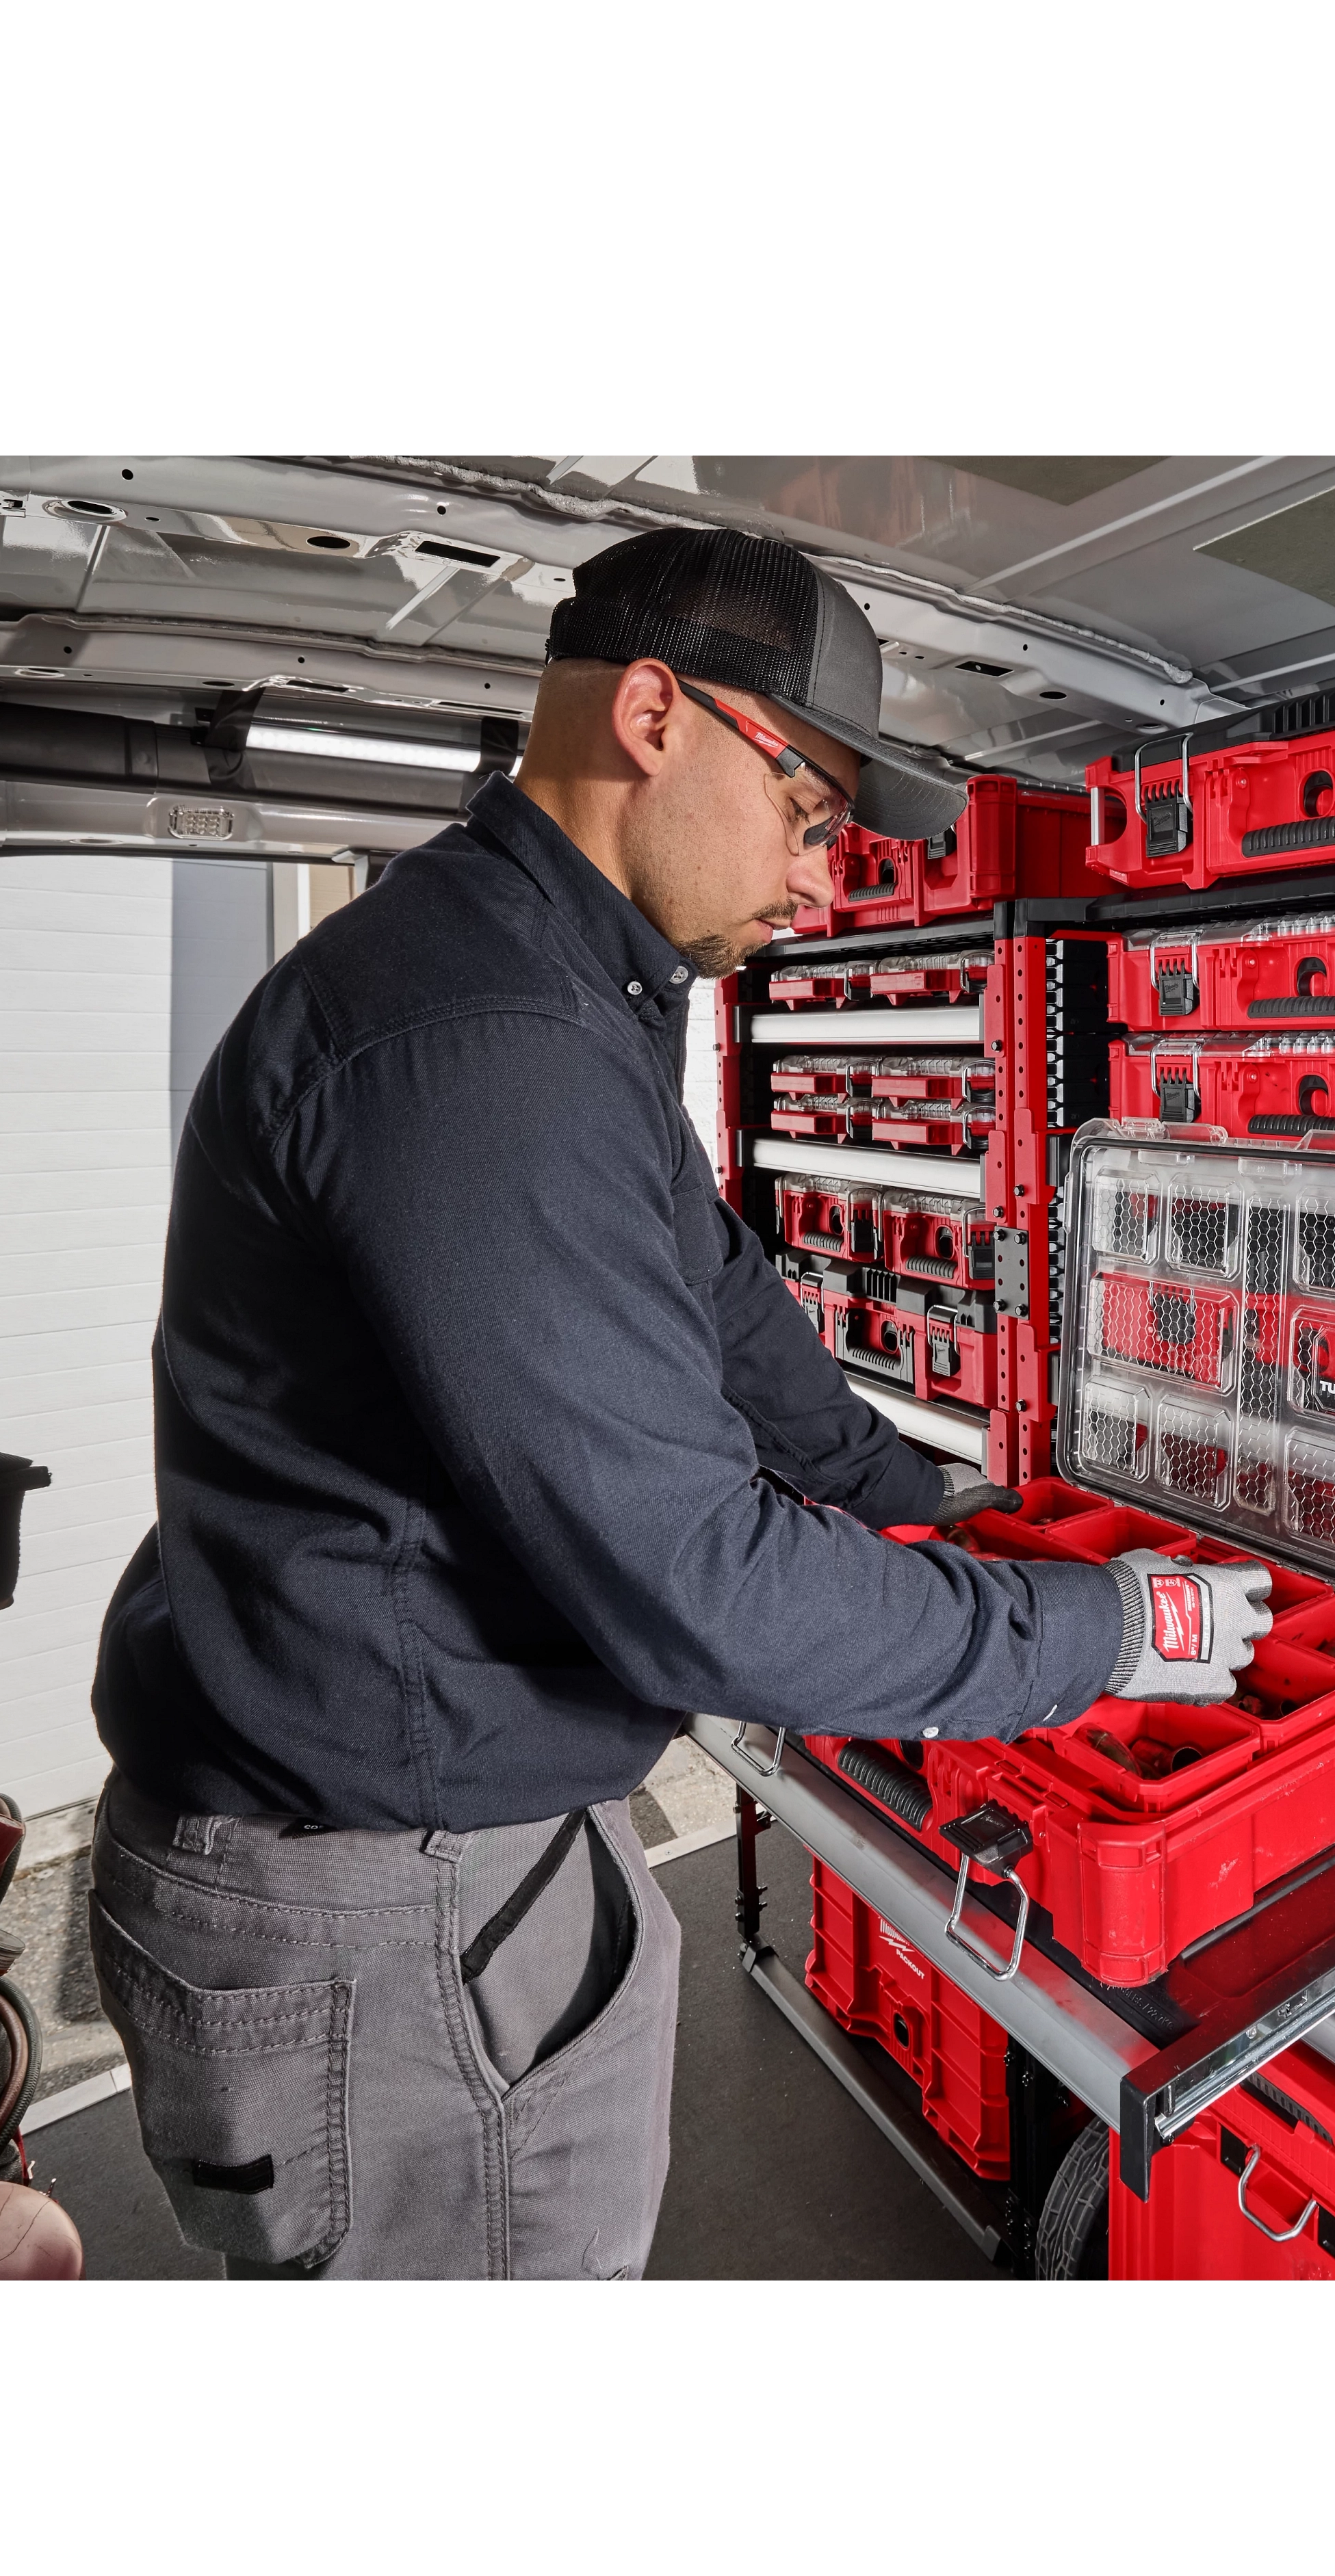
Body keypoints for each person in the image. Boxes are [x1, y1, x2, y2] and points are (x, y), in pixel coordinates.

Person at [90, 526, 1270, 2280]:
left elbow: (722, 1310)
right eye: (811, 810)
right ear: (654, 712)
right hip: (380, 1912)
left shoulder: (555, 981)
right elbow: (701, 1584)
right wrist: (1101, 1623)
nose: (820, 877)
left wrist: (928, 1511)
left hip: (411, 1840)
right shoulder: (482, 1036)